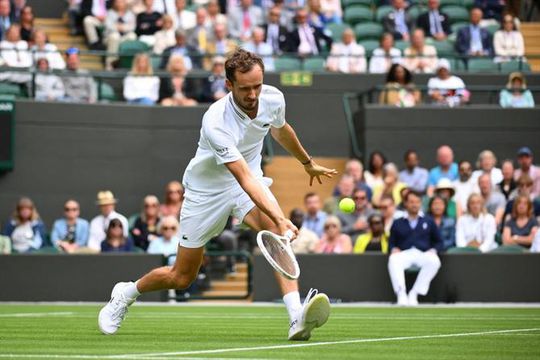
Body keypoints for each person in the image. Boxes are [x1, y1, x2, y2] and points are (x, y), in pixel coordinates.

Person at [98, 49, 335, 340]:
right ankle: (126, 293)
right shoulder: (216, 121)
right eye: (245, 88)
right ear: (229, 85)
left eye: (257, 86)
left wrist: (307, 163)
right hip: (207, 192)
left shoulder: (273, 97)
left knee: (274, 233)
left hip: (247, 180)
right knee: (181, 277)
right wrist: (281, 215)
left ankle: (295, 316)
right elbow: (243, 177)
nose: (252, 94)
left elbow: (280, 129)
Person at [387, 191, 442, 306]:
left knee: (434, 261)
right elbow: (391, 242)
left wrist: (434, 250)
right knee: (393, 259)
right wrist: (393, 249)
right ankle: (401, 294)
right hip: (404, 253)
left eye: (417, 202)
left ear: (421, 203)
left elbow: (438, 241)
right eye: (411, 202)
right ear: (406, 203)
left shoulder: (428, 220)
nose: (414, 204)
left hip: (422, 253)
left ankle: (414, 293)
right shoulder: (398, 222)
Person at [104, 0, 136, 70]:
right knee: (115, 36)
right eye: (118, 2)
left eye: (122, 2)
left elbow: (132, 27)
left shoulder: (130, 14)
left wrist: (121, 27)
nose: (120, 4)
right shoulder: (110, 12)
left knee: (132, 36)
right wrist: (120, 27)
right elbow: (108, 26)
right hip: (110, 37)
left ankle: (127, 63)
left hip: (124, 36)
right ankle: (110, 63)